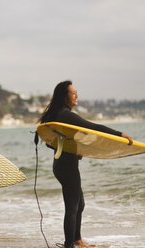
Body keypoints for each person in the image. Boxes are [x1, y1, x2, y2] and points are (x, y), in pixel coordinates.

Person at [38, 80, 132, 248]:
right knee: (72, 206)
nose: (77, 95)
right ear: (64, 97)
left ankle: (76, 240)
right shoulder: (66, 115)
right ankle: (69, 244)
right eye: (73, 93)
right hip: (66, 167)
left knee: (79, 204)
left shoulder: (59, 114)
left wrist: (72, 150)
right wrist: (119, 134)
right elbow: (91, 127)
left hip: (63, 164)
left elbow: (51, 141)